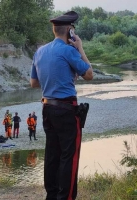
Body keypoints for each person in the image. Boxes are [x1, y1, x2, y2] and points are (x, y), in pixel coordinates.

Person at [30, 11, 93, 200]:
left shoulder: (39, 51)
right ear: (70, 30)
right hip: (66, 109)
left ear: (54, 30)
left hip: (47, 108)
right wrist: (80, 48)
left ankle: (51, 195)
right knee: (69, 155)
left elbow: (33, 83)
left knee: (52, 154)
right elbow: (89, 74)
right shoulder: (69, 51)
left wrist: (54, 77)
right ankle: (65, 197)